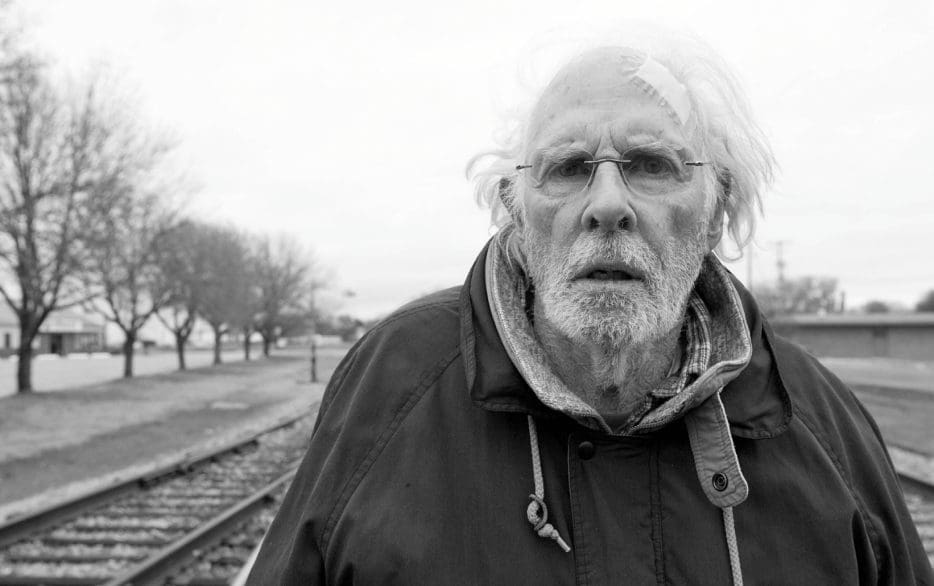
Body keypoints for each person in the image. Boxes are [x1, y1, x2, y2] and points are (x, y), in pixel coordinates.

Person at [247, 34, 933, 585]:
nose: (607, 203)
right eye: (570, 167)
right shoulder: (394, 382)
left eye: (652, 163)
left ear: (717, 210)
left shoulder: (819, 420)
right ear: (517, 213)